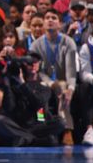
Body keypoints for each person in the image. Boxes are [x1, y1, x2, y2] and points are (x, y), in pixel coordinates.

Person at [29, 10, 78, 145]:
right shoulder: (35, 45)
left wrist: (71, 89)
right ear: (44, 23)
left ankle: (67, 129)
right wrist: (50, 83)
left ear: (60, 24)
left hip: (64, 81)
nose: (50, 20)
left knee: (63, 88)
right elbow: (37, 71)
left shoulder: (69, 42)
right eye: (47, 18)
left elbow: (71, 69)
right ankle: (41, 126)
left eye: (54, 18)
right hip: (43, 82)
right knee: (38, 93)